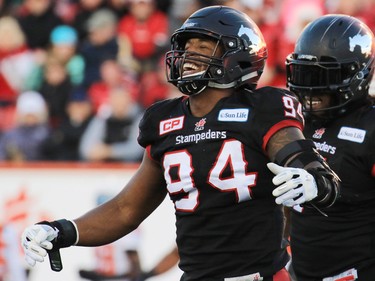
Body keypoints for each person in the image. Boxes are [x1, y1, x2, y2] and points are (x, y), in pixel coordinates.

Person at [21, 6, 340, 281]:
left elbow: (295, 154)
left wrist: (315, 179)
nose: (189, 55)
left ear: (237, 56)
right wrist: (62, 230)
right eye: (187, 46)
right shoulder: (163, 120)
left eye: (204, 46)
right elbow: (126, 209)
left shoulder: (264, 107)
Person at [284, 14, 375, 280]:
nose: (311, 89)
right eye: (305, 74)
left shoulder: (370, 127)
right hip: (302, 271)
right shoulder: (295, 120)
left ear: (357, 75)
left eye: (322, 77)